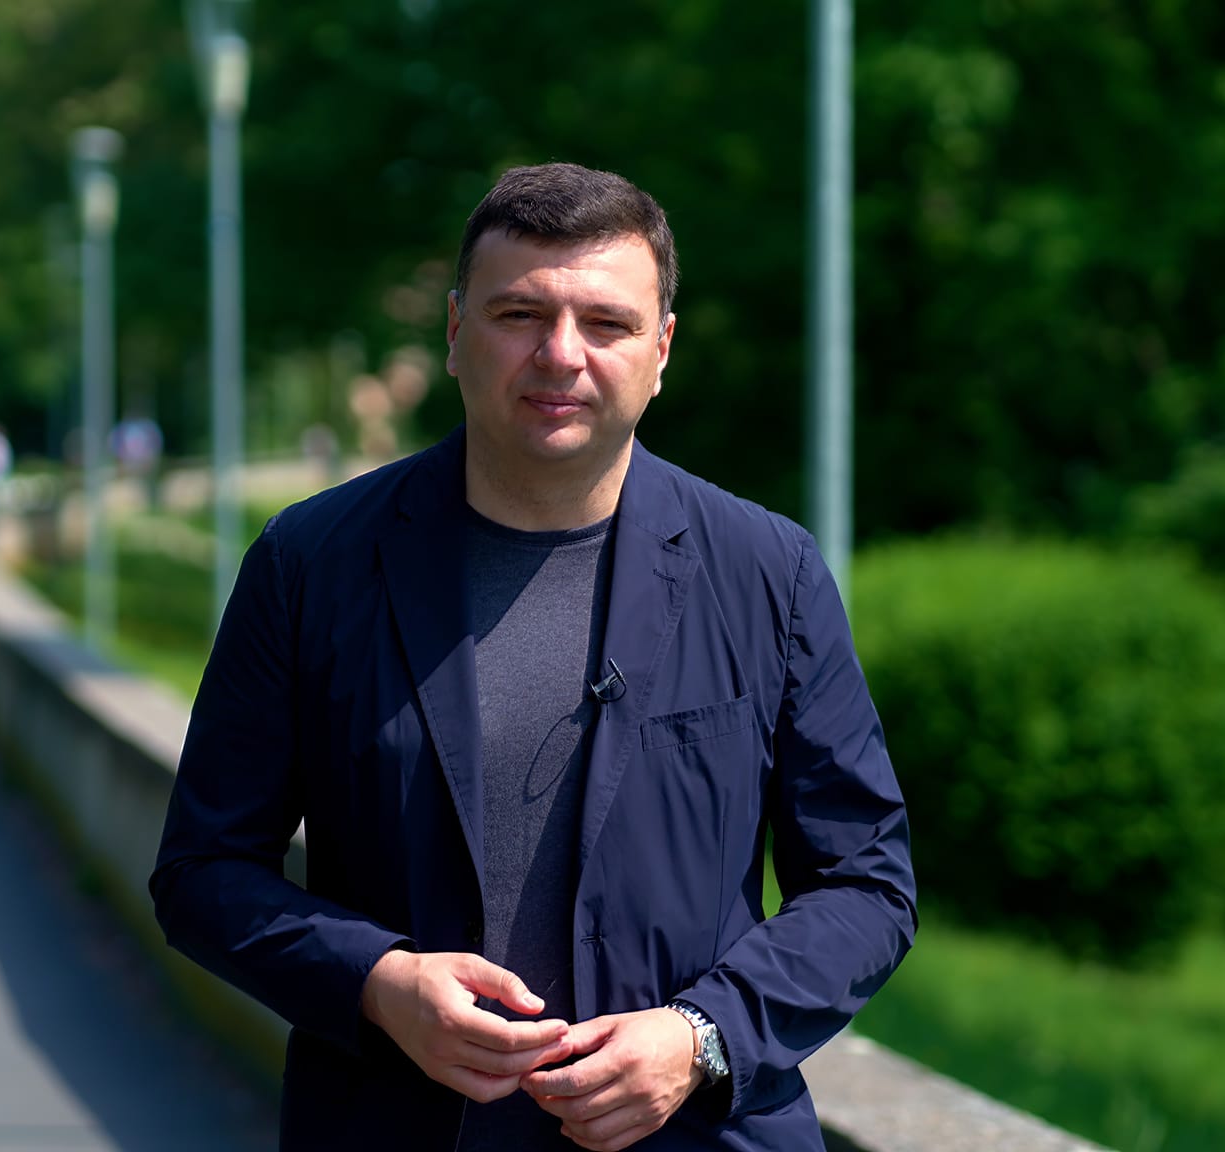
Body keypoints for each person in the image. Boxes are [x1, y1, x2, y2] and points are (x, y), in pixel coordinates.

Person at [152, 162, 916, 1151]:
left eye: (605, 323)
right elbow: (202, 870)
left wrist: (702, 1038)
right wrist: (375, 982)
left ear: (660, 350)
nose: (560, 354)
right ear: (454, 332)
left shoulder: (770, 570)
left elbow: (867, 885)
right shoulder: (309, 563)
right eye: (519, 314)